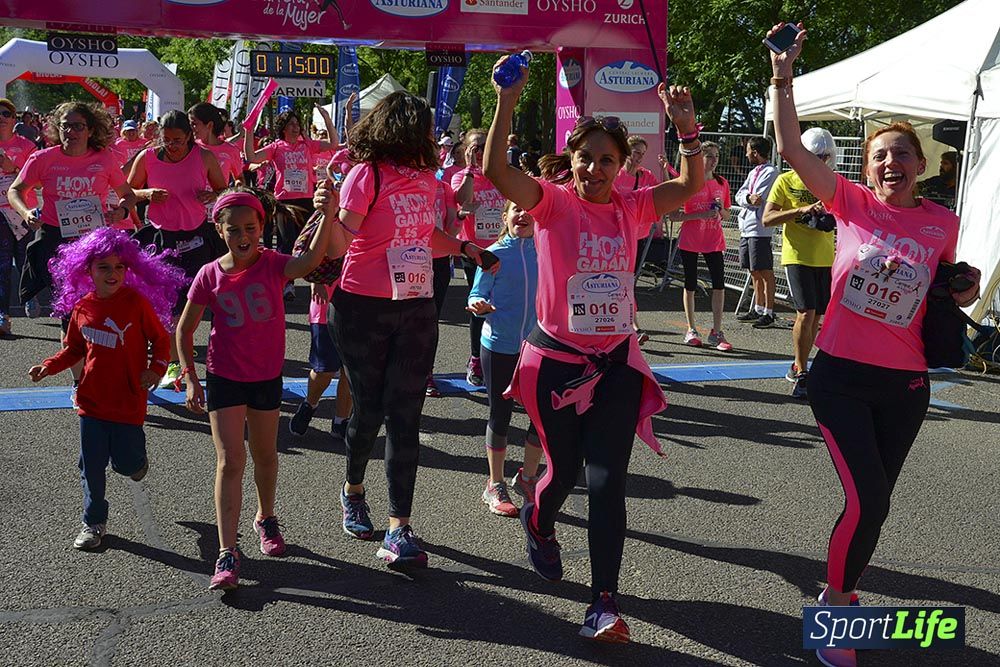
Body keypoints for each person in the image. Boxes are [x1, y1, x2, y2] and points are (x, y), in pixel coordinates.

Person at [767, 23, 982, 667]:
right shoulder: (851, 203)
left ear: (920, 164)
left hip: (906, 383)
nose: (891, 163)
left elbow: (951, 290)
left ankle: (847, 591)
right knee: (868, 497)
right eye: (880, 154)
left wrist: (963, 288)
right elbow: (788, 147)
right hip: (839, 376)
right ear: (868, 164)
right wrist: (783, 77)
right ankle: (836, 608)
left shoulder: (941, 221)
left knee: (875, 503)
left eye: (902, 154)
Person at [483, 53, 704, 642]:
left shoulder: (632, 207)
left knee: (607, 481)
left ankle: (603, 603)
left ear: (620, 164)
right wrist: (507, 99)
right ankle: (538, 516)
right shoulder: (554, 202)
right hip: (553, 362)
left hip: (616, 365)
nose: (597, 169)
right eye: (587, 158)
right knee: (564, 471)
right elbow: (498, 173)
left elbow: (689, 185)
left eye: (608, 160)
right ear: (572, 159)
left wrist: (687, 129)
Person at [312, 91, 497, 571]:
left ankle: (400, 528)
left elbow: (421, 237)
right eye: (422, 130)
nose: (432, 140)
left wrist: (463, 248)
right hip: (360, 308)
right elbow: (338, 243)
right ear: (403, 131)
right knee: (369, 409)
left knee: (406, 414)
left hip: (414, 307)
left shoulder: (429, 183)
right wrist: (329, 210)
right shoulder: (365, 175)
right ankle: (353, 489)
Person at [176, 188, 333, 590]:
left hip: (266, 377)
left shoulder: (273, 264)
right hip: (225, 376)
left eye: (251, 227)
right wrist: (191, 377)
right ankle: (227, 551)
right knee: (231, 460)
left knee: (265, 456)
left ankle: (265, 517)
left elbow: (311, 261)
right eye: (234, 230)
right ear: (219, 229)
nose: (243, 236)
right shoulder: (209, 274)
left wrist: (328, 213)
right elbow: (185, 329)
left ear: (262, 227)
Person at [27, 228, 185, 550]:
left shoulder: (136, 303)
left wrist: (155, 370)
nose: (113, 274)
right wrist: (49, 366)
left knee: (126, 464)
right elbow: (73, 349)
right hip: (91, 401)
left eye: (119, 267)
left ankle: (136, 463)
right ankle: (93, 522)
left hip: (128, 399)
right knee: (91, 465)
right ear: (87, 271)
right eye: (103, 267)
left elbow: (161, 340)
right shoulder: (82, 307)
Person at [9, 102, 138, 342]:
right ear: (57, 129)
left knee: (95, 304)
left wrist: (121, 211)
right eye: (65, 126)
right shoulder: (43, 158)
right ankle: (78, 375)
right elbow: (15, 190)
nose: (71, 132)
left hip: (93, 241)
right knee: (69, 309)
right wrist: (26, 212)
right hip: (54, 239)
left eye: (78, 126)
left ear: (90, 130)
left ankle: (96, 358)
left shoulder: (104, 159)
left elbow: (128, 195)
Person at [127, 110, 228, 388]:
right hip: (162, 238)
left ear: (190, 137)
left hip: (196, 237)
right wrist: (147, 194)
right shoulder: (147, 157)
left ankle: (190, 350)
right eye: (167, 140)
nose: (172, 146)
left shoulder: (204, 157)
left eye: (178, 141)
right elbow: (127, 191)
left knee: (197, 301)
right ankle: (173, 363)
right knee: (167, 304)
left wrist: (212, 195)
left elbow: (224, 188)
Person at [466, 201, 544, 515]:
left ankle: (527, 477)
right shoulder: (494, 254)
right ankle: (494, 484)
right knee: (500, 415)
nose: (522, 214)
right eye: (516, 209)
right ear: (505, 217)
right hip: (498, 344)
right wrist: (479, 304)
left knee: (542, 415)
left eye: (527, 210)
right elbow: (475, 294)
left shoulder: (546, 251)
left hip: (538, 346)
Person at [762, 127, 838, 399]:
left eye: (826, 156)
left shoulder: (833, 181)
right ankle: (801, 369)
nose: (822, 161)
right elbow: (767, 219)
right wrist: (801, 211)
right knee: (805, 313)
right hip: (797, 256)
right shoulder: (785, 180)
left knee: (817, 316)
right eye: (817, 155)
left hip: (826, 258)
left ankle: (799, 364)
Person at [452, 128, 508, 386]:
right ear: (465, 151)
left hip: (502, 247)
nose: (480, 150)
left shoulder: (500, 175)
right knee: (480, 304)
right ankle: (476, 358)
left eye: (484, 146)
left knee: (505, 302)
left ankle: (504, 354)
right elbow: (462, 202)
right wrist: (472, 171)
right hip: (475, 251)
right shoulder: (461, 177)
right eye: (475, 146)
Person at [242, 106, 336, 253]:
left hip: (306, 200)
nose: (296, 127)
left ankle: (305, 272)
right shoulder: (276, 147)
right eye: (291, 124)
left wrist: (327, 120)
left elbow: (333, 144)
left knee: (307, 242)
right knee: (287, 243)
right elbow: (251, 157)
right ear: (283, 128)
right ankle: (286, 275)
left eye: (297, 124)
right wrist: (249, 130)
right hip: (285, 202)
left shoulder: (307, 145)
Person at [668, 141, 733, 351]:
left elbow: (727, 214)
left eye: (716, 156)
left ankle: (717, 331)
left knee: (719, 285)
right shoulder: (689, 183)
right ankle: (691, 328)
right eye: (709, 156)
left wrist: (721, 209)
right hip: (690, 240)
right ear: (700, 158)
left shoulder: (722, 183)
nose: (714, 160)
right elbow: (674, 216)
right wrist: (700, 214)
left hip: (714, 240)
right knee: (690, 284)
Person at [0, 97, 38, 335]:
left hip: (23, 211)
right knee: (2, 265)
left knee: (26, 259)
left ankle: (30, 295)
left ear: (14, 120)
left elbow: (38, 178)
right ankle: (2, 314)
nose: (1, 118)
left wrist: (11, 166)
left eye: (5, 114)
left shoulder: (26, 146)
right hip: (0, 214)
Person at [734, 136, 779, 328]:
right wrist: (746, 198)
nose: (746, 153)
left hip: (759, 228)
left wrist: (748, 199)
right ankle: (758, 307)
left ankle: (769, 311)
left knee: (765, 270)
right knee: (753, 269)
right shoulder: (753, 172)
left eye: (748, 150)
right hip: (746, 226)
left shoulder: (771, 172)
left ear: (755, 152)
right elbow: (741, 194)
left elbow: (757, 199)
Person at [188, 103, 245, 187]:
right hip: (191, 200)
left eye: (194, 124)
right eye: (189, 124)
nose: (191, 127)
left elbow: (239, 177)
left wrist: (238, 185)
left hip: (219, 199)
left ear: (210, 125)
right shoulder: (190, 147)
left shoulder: (231, 150)